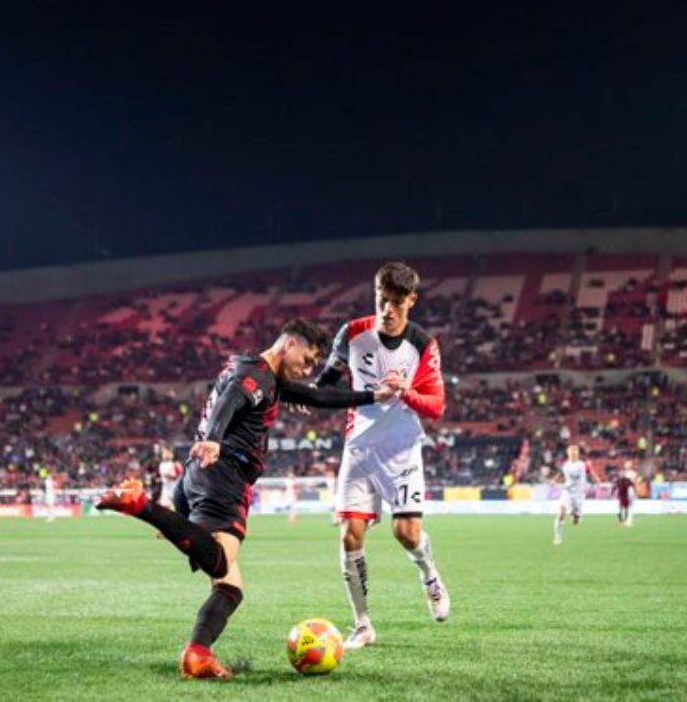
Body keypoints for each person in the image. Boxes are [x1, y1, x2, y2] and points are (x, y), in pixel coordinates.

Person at [96, 318, 402, 679]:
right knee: (222, 563)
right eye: (308, 358)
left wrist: (372, 395)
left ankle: (197, 654)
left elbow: (315, 395)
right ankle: (141, 504)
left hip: (197, 477)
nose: (310, 367)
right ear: (289, 343)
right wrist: (213, 438)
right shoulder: (258, 377)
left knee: (229, 586)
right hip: (224, 473)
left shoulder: (255, 372)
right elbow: (233, 397)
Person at [314, 261, 449, 650]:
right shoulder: (353, 333)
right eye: (380, 300)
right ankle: (362, 625)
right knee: (349, 536)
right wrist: (309, 395)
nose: (386, 311)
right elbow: (329, 380)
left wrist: (405, 391)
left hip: (402, 449)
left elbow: (437, 406)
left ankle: (430, 575)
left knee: (405, 534)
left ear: (411, 301)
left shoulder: (423, 344)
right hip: (358, 447)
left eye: (394, 303)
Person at [554, 444, 599, 544]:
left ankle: (576, 515)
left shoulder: (583, 465)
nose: (573, 453)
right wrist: (554, 481)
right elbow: (560, 474)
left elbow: (591, 473)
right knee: (561, 511)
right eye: (571, 452)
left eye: (575, 452)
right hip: (568, 491)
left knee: (575, 521)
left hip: (579, 494)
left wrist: (599, 482)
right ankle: (557, 537)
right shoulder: (565, 465)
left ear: (578, 453)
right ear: (568, 453)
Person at [156, 443, 183, 510]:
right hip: (166, 489)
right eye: (164, 453)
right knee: (164, 508)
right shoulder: (161, 465)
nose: (165, 454)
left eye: (167, 453)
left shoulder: (175, 464)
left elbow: (176, 477)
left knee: (177, 508)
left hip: (175, 489)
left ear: (172, 454)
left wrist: (168, 475)